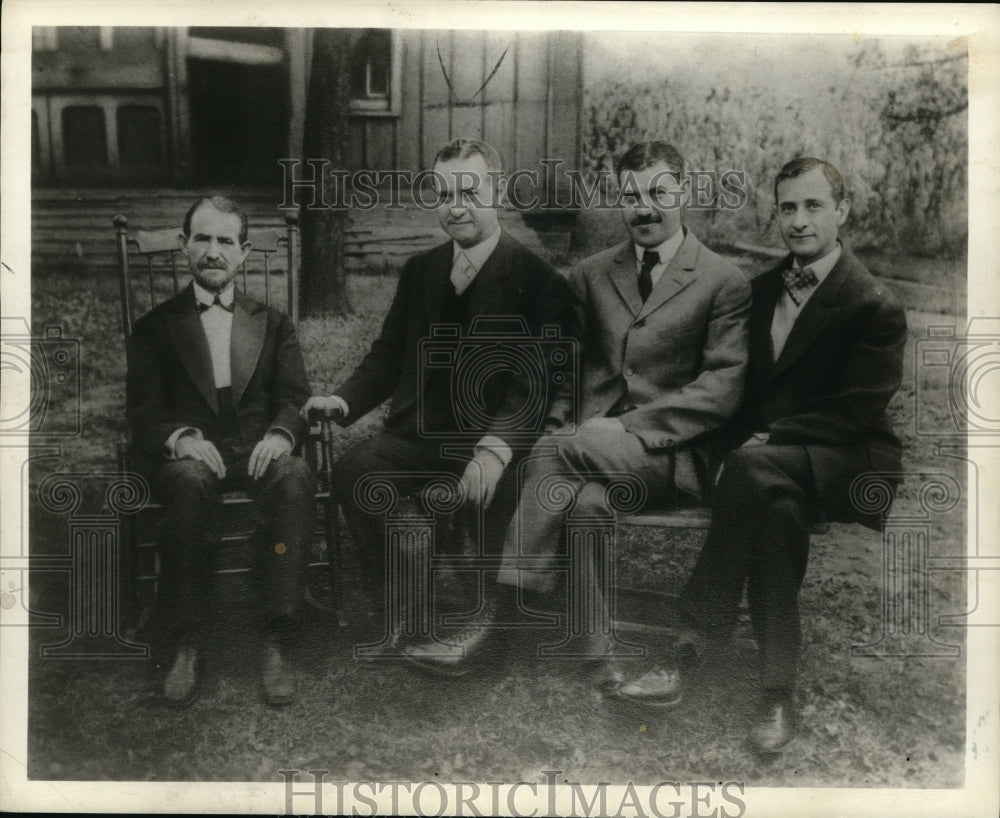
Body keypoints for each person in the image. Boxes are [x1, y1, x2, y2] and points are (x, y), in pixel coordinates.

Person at [403, 140, 752, 677]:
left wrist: (619, 427)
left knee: (551, 450)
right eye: (630, 195)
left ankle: (500, 621)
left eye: (658, 193)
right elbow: (565, 369)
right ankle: (595, 654)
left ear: (684, 193)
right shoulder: (592, 274)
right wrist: (567, 419)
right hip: (589, 449)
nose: (644, 208)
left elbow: (721, 389)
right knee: (587, 504)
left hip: (673, 455)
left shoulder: (723, 281)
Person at [616, 157, 907, 755]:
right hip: (772, 472)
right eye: (787, 208)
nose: (798, 220)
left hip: (845, 460)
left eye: (813, 206)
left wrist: (768, 442)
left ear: (842, 211)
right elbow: (740, 392)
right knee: (773, 513)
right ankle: (776, 690)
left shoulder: (873, 304)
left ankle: (688, 646)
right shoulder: (760, 290)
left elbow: (855, 410)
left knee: (753, 471)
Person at [301, 138, 571, 626]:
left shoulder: (540, 281)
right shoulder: (421, 270)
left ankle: (491, 615)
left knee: (497, 502)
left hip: (490, 441)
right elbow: (387, 355)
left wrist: (492, 452)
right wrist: (342, 401)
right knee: (355, 472)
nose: (456, 207)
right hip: (418, 436)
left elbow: (532, 388)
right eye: (445, 195)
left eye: (470, 192)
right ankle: (401, 604)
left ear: (499, 192)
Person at [126, 196, 315, 707]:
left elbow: (295, 397)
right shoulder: (154, 328)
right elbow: (143, 412)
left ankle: (277, 635)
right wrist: (180, 438)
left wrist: (280, 434)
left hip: (257, 448)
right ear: (186, 246)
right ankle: (187, 639)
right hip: (194, 454)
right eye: (203, 239)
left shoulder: (273, 324)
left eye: (225, 241)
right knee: (187, 480)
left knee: (294, 474)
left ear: (244, 252)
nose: (213, 251)